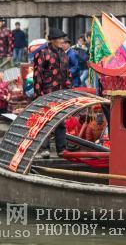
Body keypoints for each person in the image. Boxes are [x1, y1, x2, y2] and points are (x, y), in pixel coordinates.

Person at [33, 28, 71, 158]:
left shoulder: (63, 54)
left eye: (62, 38)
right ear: (53, 40)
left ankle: (62, 149)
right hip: (47, 93)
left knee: (60, 121)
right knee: (45, 121)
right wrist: (38, 95)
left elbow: (67, 73)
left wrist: (69, 89)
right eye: (60, 39)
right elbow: (37, 75)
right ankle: (45, 148)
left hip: (61, 93)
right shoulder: (42, 53)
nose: (62, 41)